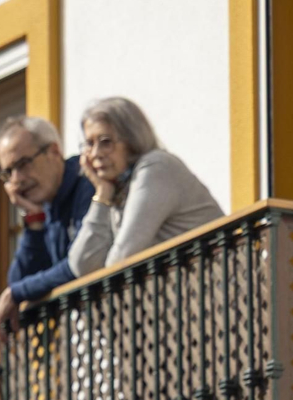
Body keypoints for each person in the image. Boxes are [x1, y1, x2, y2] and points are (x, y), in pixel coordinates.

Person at [67, 96, 223, 277]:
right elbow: (83, 265)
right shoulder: (117, 186)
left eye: (106, 142)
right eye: (89, 144)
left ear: (131, 141)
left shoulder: (157, 167)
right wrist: (102, 194)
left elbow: (121, 260)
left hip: (222, 290)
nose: (95, 154)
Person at [0, 115, 94, 344]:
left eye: (23, 164)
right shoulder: (47, 206)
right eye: (8, 173)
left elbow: (81, 263)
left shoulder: (89, 184)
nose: (17, 180)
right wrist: (33, 219)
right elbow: (20, 281)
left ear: (54, 152)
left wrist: (17, 292)